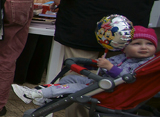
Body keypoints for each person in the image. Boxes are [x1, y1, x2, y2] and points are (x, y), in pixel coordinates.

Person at [12, 26, 157, 104]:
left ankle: (35, 94)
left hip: (111, 90)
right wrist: (96, 65)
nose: (144, 47)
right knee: (68, 79)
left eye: (149, 44)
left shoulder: (146, 63)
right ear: (124, 48)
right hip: (99, 82)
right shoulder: (122, 57)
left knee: (72, 87)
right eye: (137, 44)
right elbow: (105, 66)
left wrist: (109, 67)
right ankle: (47, 97)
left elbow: (128, 77)